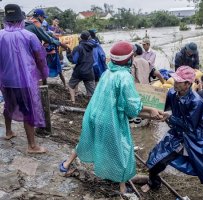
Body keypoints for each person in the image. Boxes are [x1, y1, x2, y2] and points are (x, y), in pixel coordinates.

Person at [59, 41, 163, 194]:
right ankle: (122, 188)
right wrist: (151, 110)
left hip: (93, 114)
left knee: (87, 140)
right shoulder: (124, 77)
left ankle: (66, 164)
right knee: (122, 150)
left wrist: (149, 112)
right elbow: (132, 108)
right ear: (129, 59)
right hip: (110, 120)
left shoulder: (108, 72)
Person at [142, 66, 203, 200]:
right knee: (156, 158)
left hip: (197, 139)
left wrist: (169, 117)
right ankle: (154, 183)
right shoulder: (172, 93)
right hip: (177, 133)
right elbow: (161, 105)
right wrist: (149, 105)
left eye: (178, 81)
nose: (175, 83)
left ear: (188, 84)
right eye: (174, 80)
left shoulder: (196, 101)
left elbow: (190, 126)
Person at [0, 4, 49, 153]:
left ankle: (8, 132)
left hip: (5, 79)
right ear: (21, 19)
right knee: (28, 110)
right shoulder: (29, 35)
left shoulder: (0, 35)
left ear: (6, 19)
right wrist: (42, 73)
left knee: (8, 104)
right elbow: (39, 57)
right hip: (24, 80)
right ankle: (32, 146)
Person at [66, 31, 96, 103]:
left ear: (81, 38)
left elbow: (74, 60)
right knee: (92, 92)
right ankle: (92, 105)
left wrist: (68, 53)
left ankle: (73, 101)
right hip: (89, 71)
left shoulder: (78, 48)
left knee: (70, 85)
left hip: (79, 71)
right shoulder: (92, 46)